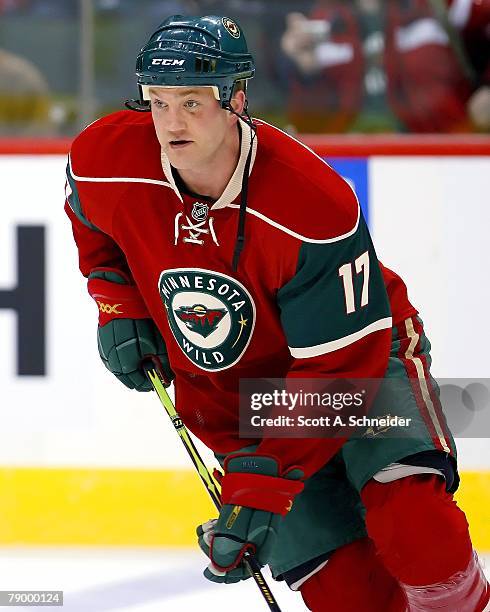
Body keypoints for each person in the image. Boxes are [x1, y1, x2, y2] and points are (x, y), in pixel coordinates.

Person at [65, 15, 489, 611]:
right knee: (348, 596)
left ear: (237, 98)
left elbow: (339, 374)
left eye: (192, 101)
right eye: (158, 102)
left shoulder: (310, 204)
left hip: (358, 361)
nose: (171, 123)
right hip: (239, 389)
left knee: (416, 529)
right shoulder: (105, 155)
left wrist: (261, 488)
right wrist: (118, 304)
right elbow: (91, 218)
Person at [279, 0, 490, 133]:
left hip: (442, 153)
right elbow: (308, 122)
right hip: (354, 159)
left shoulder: (440, 6)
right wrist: (306, 71)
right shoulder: (323, 19)